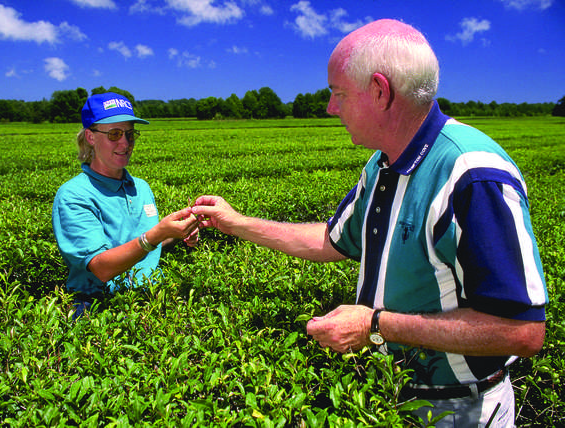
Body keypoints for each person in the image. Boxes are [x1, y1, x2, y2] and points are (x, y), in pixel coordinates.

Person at [191, 19, 548, 427]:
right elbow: (330, 240)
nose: (330, 108)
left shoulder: (471, 175)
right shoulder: (382, 165)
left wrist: (374, 325)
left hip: (459, 410)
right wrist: (234, 222)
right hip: (388, 392)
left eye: (338, 93)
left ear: (379, 91)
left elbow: (520, 331)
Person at [52, 92, 198, 318]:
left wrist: (177, 232)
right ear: (91, 137)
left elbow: (142, 241)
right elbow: (101, 267)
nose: (125, 143)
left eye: (130, 134)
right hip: (98, 305)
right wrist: (156, 234)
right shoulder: (74, 195)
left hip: (149, 295)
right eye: (114, 134)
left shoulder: (140, 187)